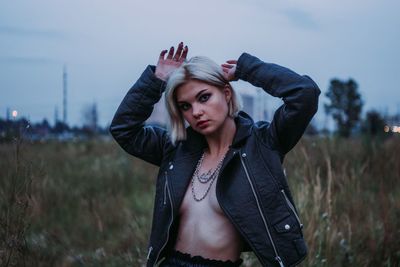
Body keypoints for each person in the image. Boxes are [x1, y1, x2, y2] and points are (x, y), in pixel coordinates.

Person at [110, 42, 320, 267]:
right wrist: (157, 79)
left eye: (203, 98)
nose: (196, 112)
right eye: (185, 106)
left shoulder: (262, 144)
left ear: (226, 94)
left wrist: (246, 70)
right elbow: (124, 130)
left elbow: (304, 94)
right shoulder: (176, 149)